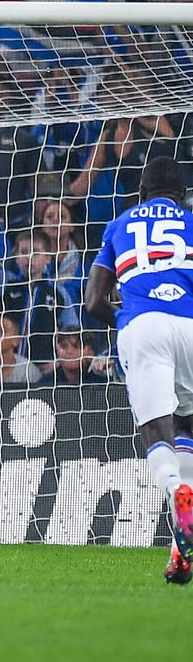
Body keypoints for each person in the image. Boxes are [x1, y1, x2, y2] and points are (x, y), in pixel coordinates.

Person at [84, 157, 193, 585]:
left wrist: (126, 317)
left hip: (144, 325)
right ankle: (179, 555)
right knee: (187, 427)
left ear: (142, 193)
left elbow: (92, 302)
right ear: (183, 195)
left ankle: (175, 491)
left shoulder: (120, 224)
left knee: (157, 432)